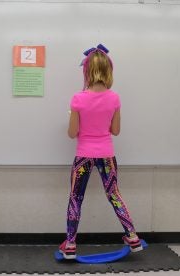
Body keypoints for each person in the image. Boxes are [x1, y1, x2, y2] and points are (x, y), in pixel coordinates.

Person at [59, 44, 142, 259]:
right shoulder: (114, 98)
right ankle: (132, 237)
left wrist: (75, 117)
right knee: (114, 194)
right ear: (108, 70)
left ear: (86, 71)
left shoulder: (78, 99)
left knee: (76, 198)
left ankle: (70, 244)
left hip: (83, 156)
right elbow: (115, 131)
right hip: (106, 154)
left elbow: (71, 133)